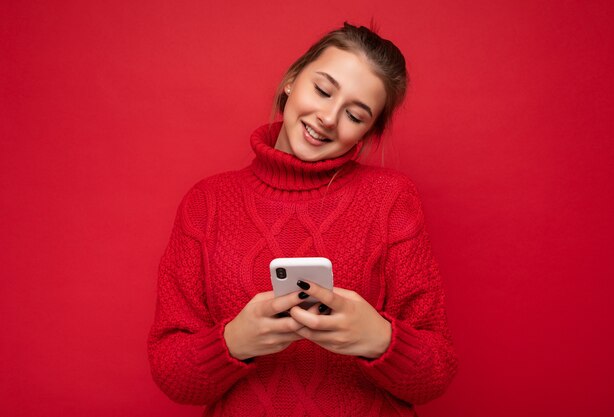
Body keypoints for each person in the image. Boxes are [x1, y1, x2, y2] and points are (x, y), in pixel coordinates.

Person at [148, 22, 458, 416]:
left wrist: (379, 338)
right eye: (323, 90)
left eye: (355, 114)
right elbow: (169, 372)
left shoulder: (392, 199)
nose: (329, 117)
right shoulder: (206, 202)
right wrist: (233, 341)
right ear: (292, 80)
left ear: (367, 132)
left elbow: (438, 371)